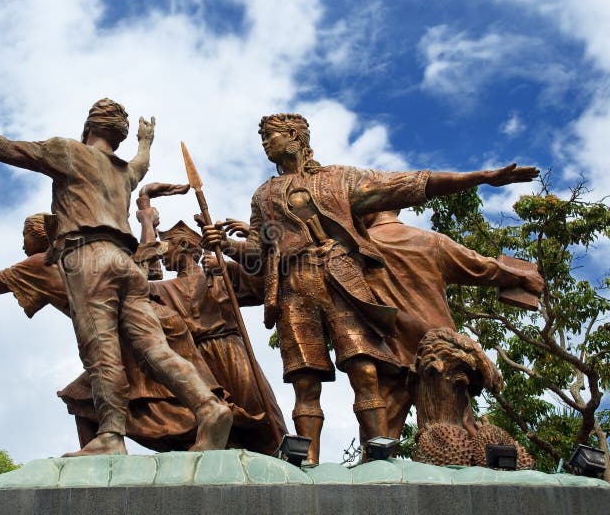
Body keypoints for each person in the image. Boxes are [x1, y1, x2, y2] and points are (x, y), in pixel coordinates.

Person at [203, 112, 539, 463]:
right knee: (305, 380)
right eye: (263, 139)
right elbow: (260, 249)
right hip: (293, 288)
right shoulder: (263, 195)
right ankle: (307, 459)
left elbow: (409, 184)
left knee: (365, 371)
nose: (265, 143)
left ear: (294, 136)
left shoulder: (339, 179)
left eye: (271, 136)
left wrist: (480, 177)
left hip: (342, 283)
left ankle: (381, 453)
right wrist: (225, 246)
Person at [0, 99, 231, 456]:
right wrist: (145, 142)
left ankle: (111, 436)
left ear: (87, 127)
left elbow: (10, 149)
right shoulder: (123, 173)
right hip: (127, 264)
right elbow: (141, 165)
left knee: (101, 349)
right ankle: (209, 408)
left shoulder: (68, 152)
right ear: (119, 137)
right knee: (154, 349)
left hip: (88, 259)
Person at [361, 209, 544, 439]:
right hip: (441, 351)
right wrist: (522, 276)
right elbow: (481, 267)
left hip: (393, 350)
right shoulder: (430, 241)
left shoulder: (358, 247)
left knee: (379, 440)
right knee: (460, 430)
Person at [148, 220, 288, 454]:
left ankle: (281, 456)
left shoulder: (222, 274)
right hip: (193, 359)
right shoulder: (163, 288)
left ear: (182, 245)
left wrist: (234, 258)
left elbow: (263, 285)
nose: (162, 255)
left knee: (259, 410)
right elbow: (132, 287)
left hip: (230, 350)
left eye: (165, 247)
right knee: (209, 419)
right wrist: (146, 219)